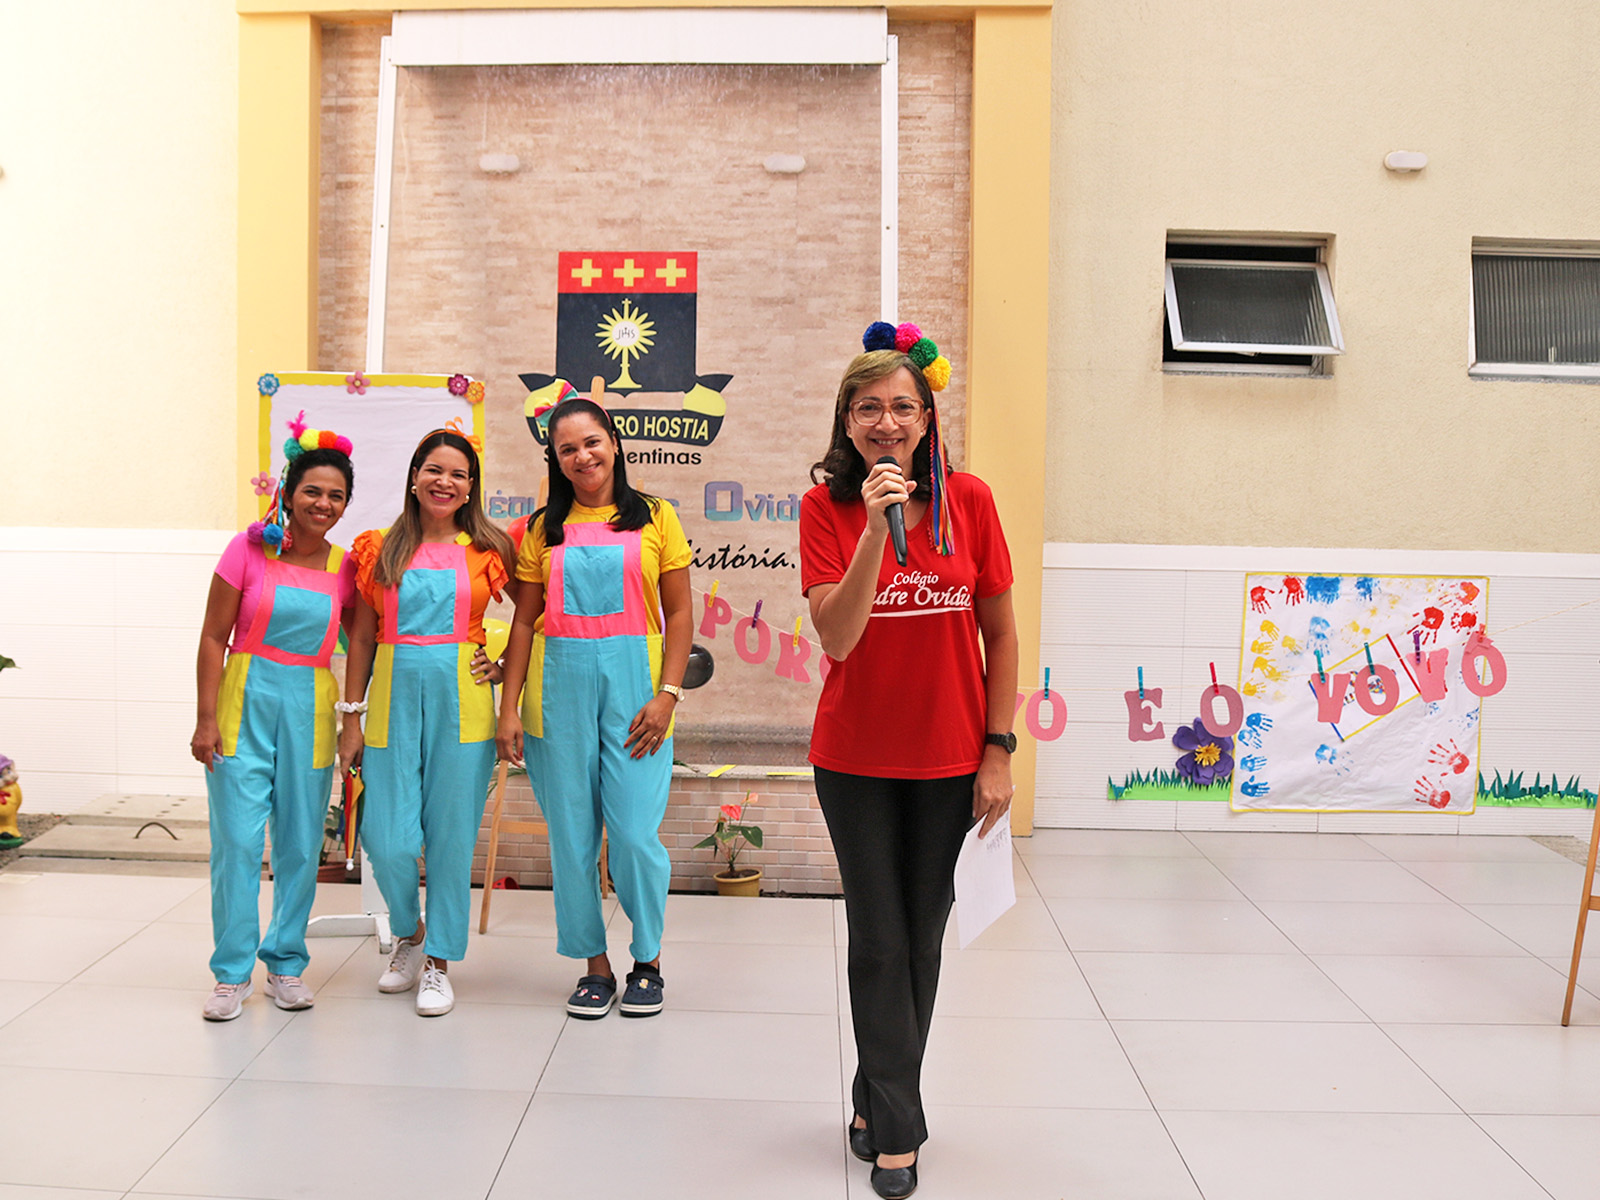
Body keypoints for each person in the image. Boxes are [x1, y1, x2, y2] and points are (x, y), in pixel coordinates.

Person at [800, 322, 1018, 1200]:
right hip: (854, 761)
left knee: (920, 940)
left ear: (928, 418)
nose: (885, 421)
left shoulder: (972, 501)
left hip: (950, 762)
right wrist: (870, 532)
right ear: (847, 422)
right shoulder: (825, 510)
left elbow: (1001, 636)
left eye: (901, 406)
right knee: (879, 939)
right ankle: (898, 1132)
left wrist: (998, 751)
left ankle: (873, 1096)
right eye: (867, 408)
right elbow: (838, 636)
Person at [496, 392, 692, 1020]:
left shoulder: (655, 517)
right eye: (567, 449)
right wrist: (508, 708)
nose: (582, 456)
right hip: (557, 699)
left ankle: (648, 959)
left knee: (634, 835)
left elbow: (680, 613)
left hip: (637, 702)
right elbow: (523, 623)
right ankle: (595, 966)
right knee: (572, 839)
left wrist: (667, 695)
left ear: (614, 442)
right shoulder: (539, 530)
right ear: (555, 460)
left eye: (591, 442)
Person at [340, 424, 513, 1017]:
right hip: (390, 701)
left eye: (459, 474)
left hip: (463, 704)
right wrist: (351, 717)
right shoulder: (378, 549)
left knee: (450, 838)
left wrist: (503, 666)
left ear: (471, 486)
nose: (445, 482)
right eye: (434, 470)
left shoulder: (489, 550)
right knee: (385, 838)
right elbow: (363, 637)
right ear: (414, 477)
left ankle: (438, 960)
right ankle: (410, 933)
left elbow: (536, 615)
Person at [190, 417, 356, 1021]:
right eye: (312, 490)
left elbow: (365, 641)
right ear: (288, 491)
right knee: (236, 843)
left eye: (336, 495)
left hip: (310, 706)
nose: (323, 503)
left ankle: (285, 963)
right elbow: (214, 636)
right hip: (243, 703)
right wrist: (205, 719)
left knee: (299, 844)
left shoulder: (346, 568)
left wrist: (353, 720)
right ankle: (231, 974)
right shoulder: (247, 549)